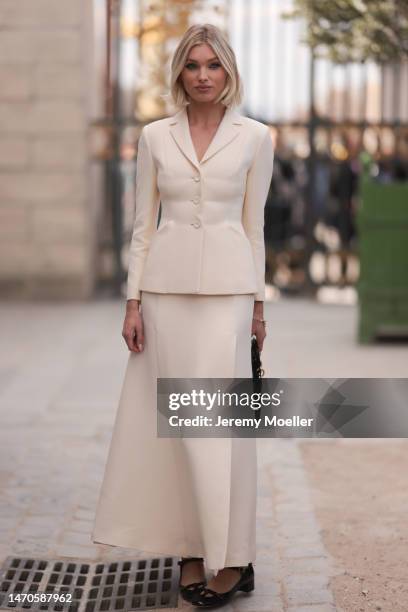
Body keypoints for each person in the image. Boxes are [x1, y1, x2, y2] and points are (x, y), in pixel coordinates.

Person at [91, 23, 274, 608]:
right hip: (166, 296)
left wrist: (259, 306)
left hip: (228, 297)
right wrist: (133, 301)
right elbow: (143, 226)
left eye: (212, 65)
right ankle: (192, 549)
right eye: (193, 65)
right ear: (180, 73)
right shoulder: (153, 136)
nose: (202, 75)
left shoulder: (256, 137)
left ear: (228, 72)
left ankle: (234, 556)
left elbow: (255, 227)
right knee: (175, 431)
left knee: (219, 429)